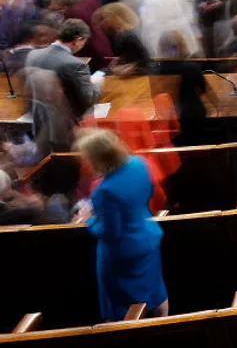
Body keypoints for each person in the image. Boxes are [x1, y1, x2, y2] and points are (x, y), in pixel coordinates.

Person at [74, 128, 169, 321]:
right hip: (148, 237)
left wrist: (89, 219)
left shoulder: (105, 191)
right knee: (155, 289)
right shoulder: (138, 163)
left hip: (123, 254)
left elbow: (110, 232)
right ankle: (164, 326)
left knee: (121, 304)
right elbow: (147, 193)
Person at [25, 19, 101, 155]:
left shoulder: (32, 55)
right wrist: (97, 83)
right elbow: (89, 98)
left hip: (40, 123)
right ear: (78, 40)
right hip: (70, 127)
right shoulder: (76, 64)